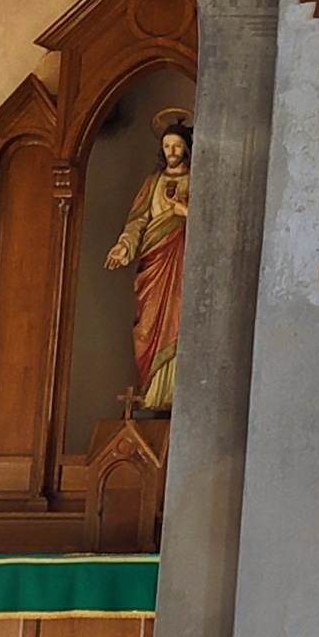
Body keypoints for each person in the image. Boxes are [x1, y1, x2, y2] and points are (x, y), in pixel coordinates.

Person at [104, 113, 195, 414]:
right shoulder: (152, 182)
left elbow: (216, 228)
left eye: (177, 145)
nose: (171, 151)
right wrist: (123, 245)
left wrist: (188, 213)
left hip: (182, 260)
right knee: (149, 325)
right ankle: (153, 392)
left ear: (187, 149)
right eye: (167, 145)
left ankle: (176, 393)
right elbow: (138, 221)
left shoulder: (198, 181)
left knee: (179, 321)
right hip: (153, 264)